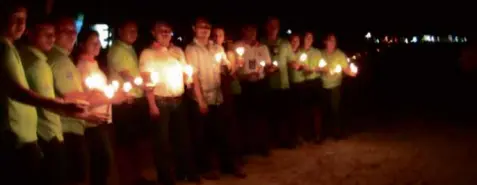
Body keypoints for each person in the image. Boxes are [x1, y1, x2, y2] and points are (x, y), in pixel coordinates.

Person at [0, 5, 86, 185]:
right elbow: (16, 92)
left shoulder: (13, 49)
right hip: (20, 137)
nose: (21, 24)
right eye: (16, 18)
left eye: (24, 19)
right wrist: (61, 106)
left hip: (28, 137)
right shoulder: (6, 50)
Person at [48, 17, 110, 185]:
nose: (71, 35)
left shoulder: (63, 59)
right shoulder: (61, 62)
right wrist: (108, 97)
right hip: (69, 127)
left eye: (73, 31)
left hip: (75, 125)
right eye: (65, 31)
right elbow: (72, 98)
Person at [140, 21, 200, 185]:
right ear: (154, 33)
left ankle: (185, 172)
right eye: (161, 31)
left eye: (168, 31)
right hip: (160, 101)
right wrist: (152, 104)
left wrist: (188, 79)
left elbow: (186, 71)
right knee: (162, 142)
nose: (165, 33)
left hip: (179, 100)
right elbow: (147, 80)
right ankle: (166, 178)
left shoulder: (178, 51)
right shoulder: (148, 53)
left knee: (183, 139)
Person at [186, 19, 245, 180]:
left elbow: (227, 69)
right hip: (202, 97)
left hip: (218, 97)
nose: (204, 30)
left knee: (220, 132)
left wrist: (236, 64)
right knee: (203, 135)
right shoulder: (191, 50)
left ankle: (225, 165)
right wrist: (200, 100)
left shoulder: (217, 48)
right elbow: (194, 75)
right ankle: (209, 168)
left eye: (207, 27)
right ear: (194, 29)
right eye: (201, 27)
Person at [76, 29, 128, 185]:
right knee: (101, 162)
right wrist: (112, 98)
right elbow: (84, 99)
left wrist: (119, 94)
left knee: (103, 163)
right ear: (81, 45)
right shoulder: (81, 68)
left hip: (103, 120)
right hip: (92, 122)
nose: (98, 45)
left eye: (98, 42)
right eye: (93, 42)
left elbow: (103, 93)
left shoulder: (94, 65)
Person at [107, 19, 150, 185]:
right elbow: (127, 76)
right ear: (120, 31)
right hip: (124, 103)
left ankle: (136, 177)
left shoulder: (130, 48)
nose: (134, 34)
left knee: (135, 142)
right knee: (125, 143)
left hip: (133, 101)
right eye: (129, 30)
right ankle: (128, 179)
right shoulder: (117, 50)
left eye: (136, 31)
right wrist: (145, 86)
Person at [234, 24, 272, 156]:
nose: (252, 33)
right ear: (243, 31)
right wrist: (245, 76)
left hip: (260, 85)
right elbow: (234, 70)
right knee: (246, 117)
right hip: (245, 86)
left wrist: (270, 69)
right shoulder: (237, 47)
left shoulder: (262, 47)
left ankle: (262, 145)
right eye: (249, 30)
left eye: (254, 30)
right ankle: (247, 147)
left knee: (261, 116)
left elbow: (267, 66)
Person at [261, 17, 291, 148]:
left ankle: (284, 140)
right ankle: (271, 141)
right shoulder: (261, 43)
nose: (273, 28)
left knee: (284, 114)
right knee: (269, 115)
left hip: (282, 84)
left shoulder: (284, 43)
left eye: (276, 26)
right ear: (266, 27)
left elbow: (291, 59)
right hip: (266, 84)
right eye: (271, 25)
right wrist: (266, 69)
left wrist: (297, 64)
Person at [319, 33, 356, 141]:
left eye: (334, 41)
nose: (332, 43)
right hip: (323, 86)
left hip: (335, 86)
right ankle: (323, 134)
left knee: (335, 109)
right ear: (325, 42)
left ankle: (337, 132)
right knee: (324, 110)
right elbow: (317, 66)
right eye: (330, 40)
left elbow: (345, 68)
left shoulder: (340, 54)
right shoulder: (320, 53)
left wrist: (351, 72)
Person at [300, 31, 324, 143]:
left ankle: (318, 135)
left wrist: (314, 69)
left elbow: (322, 67)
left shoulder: (317, 52)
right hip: (303, 83)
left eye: (311, 38)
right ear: (303, 39)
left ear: (313, 40)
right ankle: (306, 134)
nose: (308, 40)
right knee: (304, 110)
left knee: (316, 110)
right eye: (307, 37)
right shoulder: (299, 51)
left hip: (315, 82)